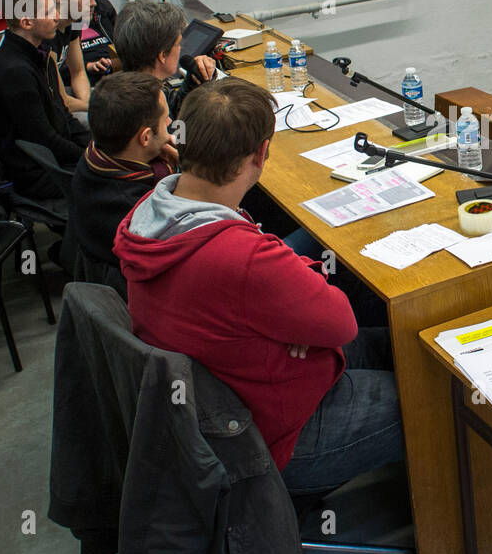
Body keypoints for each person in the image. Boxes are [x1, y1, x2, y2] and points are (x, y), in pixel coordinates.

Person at [113, 78, 404, 493]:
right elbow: (341, 324)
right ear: (262, 153)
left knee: (393, 346)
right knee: (428, 393)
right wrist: (292, 303)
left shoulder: (153, 210)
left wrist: (286, 313)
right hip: (270, 434)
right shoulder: (238, 255)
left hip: (222, 399)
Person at [65, 72, 174, 294]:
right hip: (146, 296)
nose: (171, 123)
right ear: (144, 138)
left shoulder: (96, 156)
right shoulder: (141, 213)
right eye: (166, 121)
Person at [0, 0, 90, 200]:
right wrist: (92, 158)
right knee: (122, 179)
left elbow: (64, 116)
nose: (57, 17)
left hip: (56, 158)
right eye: (49, 11)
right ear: (26, 22)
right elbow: (43, 139)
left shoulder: (40, 56)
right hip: (39, 173)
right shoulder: (15, 72)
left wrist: (97, 146)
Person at [113, 0, 216, 119]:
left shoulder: (139, 90)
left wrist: (192, 82)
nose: (181, 48)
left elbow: (175, 108)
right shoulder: (150, 116)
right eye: (178, 44)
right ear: (163, 56)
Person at [42, 0, 118, 114]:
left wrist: (87, 105)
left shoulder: (71, 21)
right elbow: (60, 100)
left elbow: (78, 72)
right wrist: (94, 110)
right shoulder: (43, 33)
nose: (93, 3)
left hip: (59, 100)